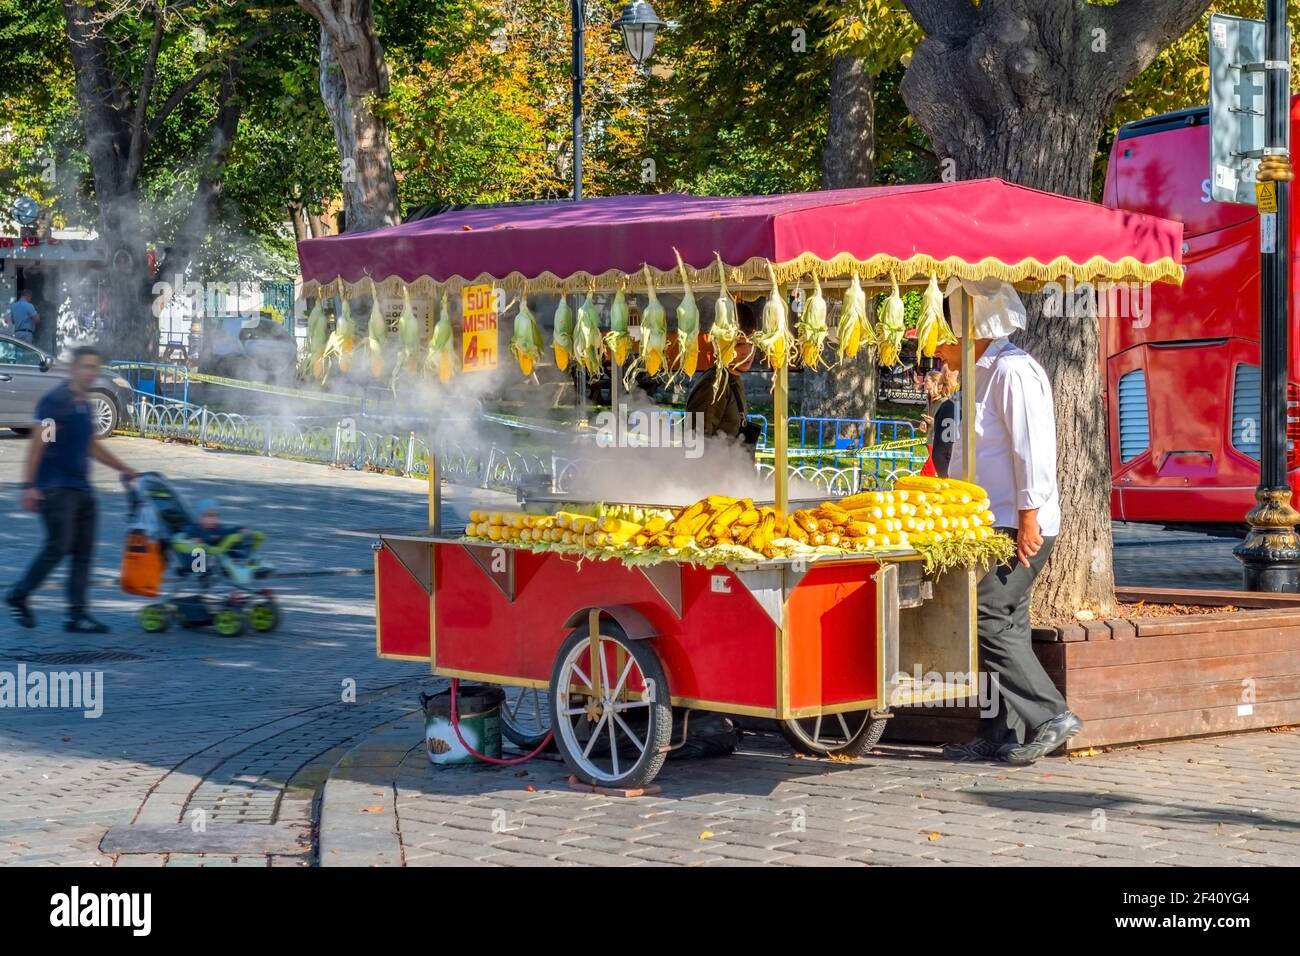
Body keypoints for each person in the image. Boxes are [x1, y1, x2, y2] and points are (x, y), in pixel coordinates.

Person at [935, 287, 1082, 765]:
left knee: (987, 617)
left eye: (947, 334)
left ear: (972, 330)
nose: (939, 346)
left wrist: (1028, 518)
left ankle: (1051, 715)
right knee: (1008, 623)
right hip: (986, 522)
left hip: (1016, 522)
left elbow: (1031, 450)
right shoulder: (977, 374)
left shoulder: (1014, 371)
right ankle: (1000, 731)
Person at [6, 346, 138, 632]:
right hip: (56, 489)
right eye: (86, 366)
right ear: (73, 369)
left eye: (95, 367)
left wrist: (124, 468)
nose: (91, 372)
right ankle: (19, 595)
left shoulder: (83, 405)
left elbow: (91, 445)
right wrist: (29, 486)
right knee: (59, 547)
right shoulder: (56, 403)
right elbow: (40, 443)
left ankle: (76, 615)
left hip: (82, 489)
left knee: (84, 552)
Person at [685, 302, 763, 448]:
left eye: (751, 343)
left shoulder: (733, 379)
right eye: (739, 344)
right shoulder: (714, 384)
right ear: (721, 343)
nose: (748, 351)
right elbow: (695, 444)